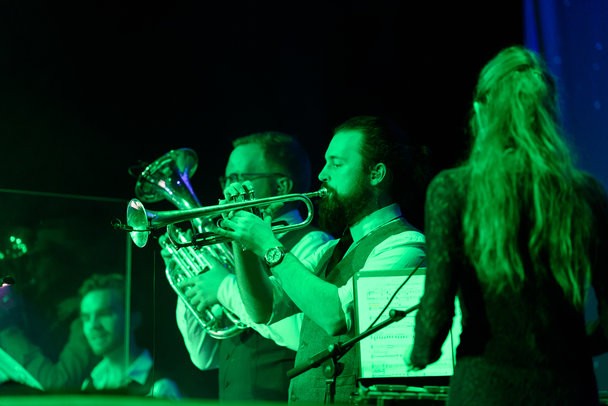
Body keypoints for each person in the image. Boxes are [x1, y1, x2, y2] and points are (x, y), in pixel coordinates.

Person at [408, 46, 608, 405]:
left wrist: (420, 353)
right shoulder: (587, 194)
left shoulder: (453, 190)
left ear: (481, 112)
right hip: (569, 390)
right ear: (548, 113)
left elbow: (436, 314)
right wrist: (573, 347)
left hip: (485, 389)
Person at [213, 116, 427, 404]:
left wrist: (268, 245)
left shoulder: (405, 245)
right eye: (325, 163)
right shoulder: (330, 251)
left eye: (336, 164)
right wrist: (241, 236)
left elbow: (336, 316)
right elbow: (263, 309)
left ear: (376, 173)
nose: (323, 174)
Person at [172, 132, 333, 401]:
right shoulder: (235, 252)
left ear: (281, 186)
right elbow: (204, 357)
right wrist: (192, 278)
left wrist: (223, 287)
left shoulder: (314, 243)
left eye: (238, 178)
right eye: (227, 180)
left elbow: (299, 332)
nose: (227, 191)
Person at [79, 273, 181, 399]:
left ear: (133, 319)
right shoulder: (90, 384)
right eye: (86, 318)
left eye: (105, 313)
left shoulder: (159, 388)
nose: (93, 325)